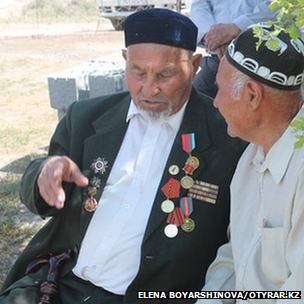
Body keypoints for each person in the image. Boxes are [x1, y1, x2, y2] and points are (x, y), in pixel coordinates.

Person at [0, 8, 246, 304]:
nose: (149, 88)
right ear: (124, 61)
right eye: (138, 72)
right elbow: (40, 191)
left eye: (166, 73)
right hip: (60, 283)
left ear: (194, 66)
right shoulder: (87, 117)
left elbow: (239, 244)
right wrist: (43, 174)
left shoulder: (228, 136)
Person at [196, 23, 304, 303]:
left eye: (219, 89)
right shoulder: (250, 158)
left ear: (253, 95)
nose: (215, 102)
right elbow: (236, 257)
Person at [190, 0, 276, 98]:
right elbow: (200, 4)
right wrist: (212, 36)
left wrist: (236, 27)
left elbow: (279, 6)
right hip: (217, 59)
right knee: (189, 105)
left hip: (259, 62)